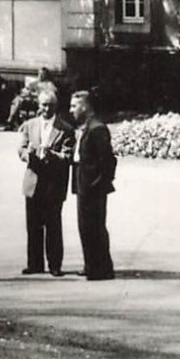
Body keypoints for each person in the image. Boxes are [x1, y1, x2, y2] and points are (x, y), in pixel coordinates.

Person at [18, 89, 74, 276]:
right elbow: (21, 148)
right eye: (43, 105)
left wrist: (52, 155)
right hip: (33, 181)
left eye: (50, 105)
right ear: (38, 105)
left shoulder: (65, 128)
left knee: (53, 226)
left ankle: (55, 265)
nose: (46, 109)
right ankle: (34, 264)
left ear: (55, 106)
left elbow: (68, 156)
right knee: (33, 226)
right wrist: (28, 155)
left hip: (53, 183)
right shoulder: (29, 125)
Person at [70, 89, 117, 280]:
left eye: (74, 106)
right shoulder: (86, 126)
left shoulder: (97, 128)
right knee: (85, 226)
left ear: (85, 106)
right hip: (83, 185)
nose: (71, 110)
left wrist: (98, 184)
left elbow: (108, 161)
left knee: (95, 227)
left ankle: (102, 268)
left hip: (93, 188)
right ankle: (91, 264)